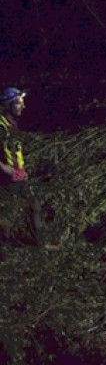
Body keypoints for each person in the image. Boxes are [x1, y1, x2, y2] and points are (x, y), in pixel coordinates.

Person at [0, 87, 54, 252]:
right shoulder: (1, 127)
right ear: (8, 105)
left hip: (18, 176)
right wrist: (6, 169)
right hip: (5, 179)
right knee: (6, 215)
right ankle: (5, 250)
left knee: (34, 206)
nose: (23, 107)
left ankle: (41, 244)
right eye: (18, 104)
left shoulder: (12, 126)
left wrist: (21, 169)